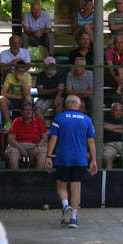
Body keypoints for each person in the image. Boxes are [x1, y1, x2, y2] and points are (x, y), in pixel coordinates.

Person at [45, 95, 97, 228]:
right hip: (80, 159)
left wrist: (48, 157)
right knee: (75, 188)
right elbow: (91, 142)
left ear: (66, 105)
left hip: (63, 158)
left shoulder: (59, 118)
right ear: (79, 106)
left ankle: (65, 204)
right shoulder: (87, 120)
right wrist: (94, 160)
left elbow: (52, 139)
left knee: (61, 185)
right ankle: (73, 218)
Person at [5, 101, 47, 169]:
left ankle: (38, 176)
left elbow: (45, 138)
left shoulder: (38, 120)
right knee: (12, 151)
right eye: (26, 110)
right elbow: (10, 139)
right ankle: (15, 176)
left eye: (30, 110)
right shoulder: (16, 121)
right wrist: (21, 149)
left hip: (35, 145)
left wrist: (37, 147)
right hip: (19, 145)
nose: (28, 112)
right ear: (21, 111)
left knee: (43, 151)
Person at [0, 63, 32, 128]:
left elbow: (28, 93)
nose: (21, 73)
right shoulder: (9, 76)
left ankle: (28, 123)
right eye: (19, 71)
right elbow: (3, 93)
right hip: (12, 99)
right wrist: (18, 97)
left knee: (28, 98)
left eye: (23, 71)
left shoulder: (27, 76)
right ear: (15, 70)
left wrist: (22, 81)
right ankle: (8, 124)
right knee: (1, 99)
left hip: (23, 99)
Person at [105, 35, 123, 101]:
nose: (120, 44)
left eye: (121, 42)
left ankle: (118, 91)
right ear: (114, 43)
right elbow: (111, 68)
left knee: (121, 69)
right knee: (120, 69)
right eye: (117, 42)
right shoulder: (109, 53)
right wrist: (116, 78)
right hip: (112, 76)